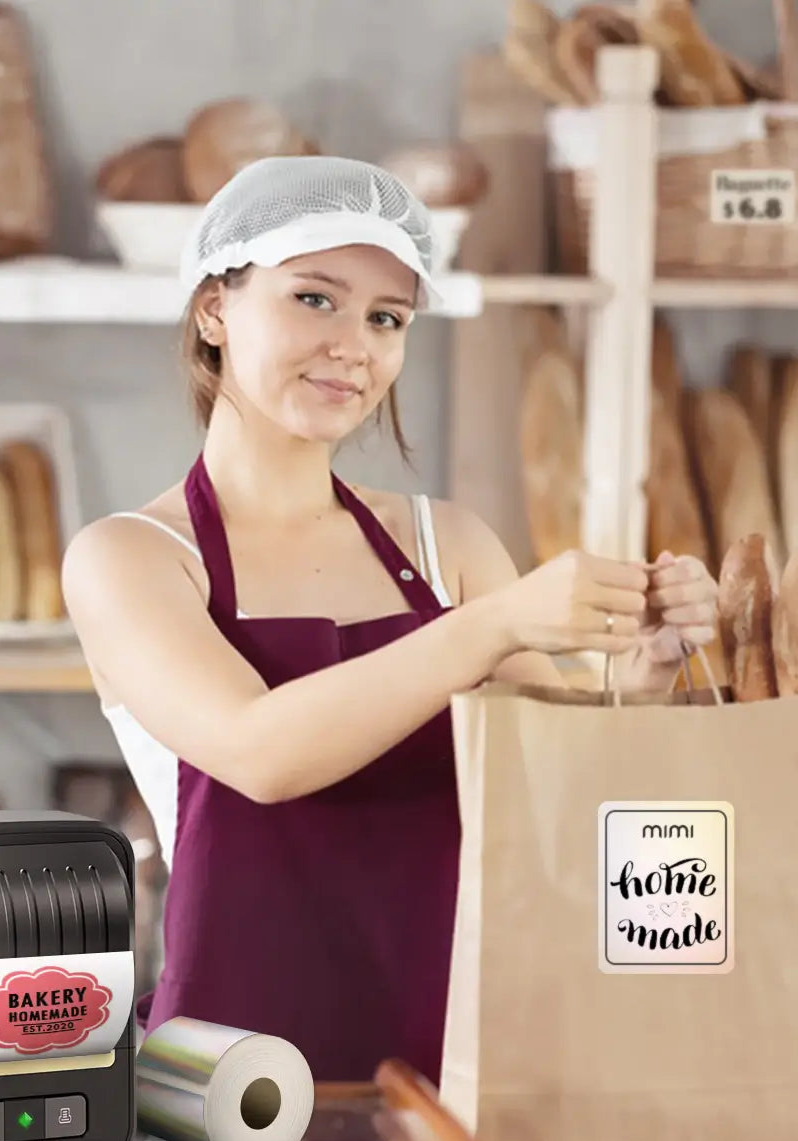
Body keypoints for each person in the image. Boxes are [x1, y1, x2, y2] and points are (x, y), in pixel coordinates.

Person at [62, 155, 718, 1089]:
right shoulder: (131, 557)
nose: (354, 346)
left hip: (461, 1053)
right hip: (233, 1078)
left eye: (387, 319)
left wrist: (644, 674)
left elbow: (555, 795)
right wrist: (490, 627)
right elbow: (260, 753)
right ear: (214, 309)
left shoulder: (448, 543)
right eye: (315, 299)